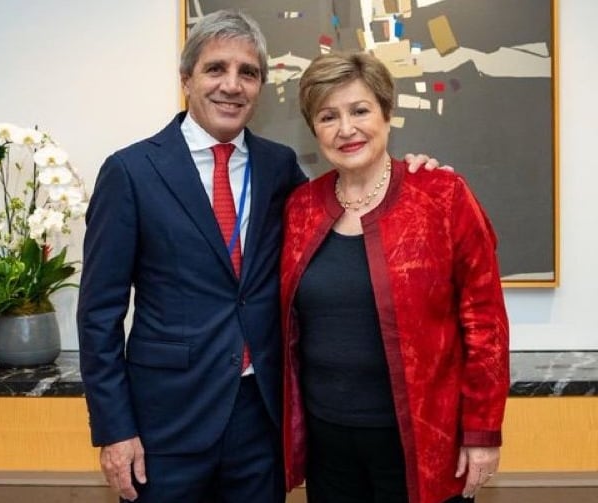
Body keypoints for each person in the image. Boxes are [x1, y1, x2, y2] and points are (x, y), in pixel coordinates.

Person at [77, 10, 442, 503]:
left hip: (262, 419)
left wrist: (413, 174)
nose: (232, 85)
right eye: (215, 68)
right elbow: (98, 315)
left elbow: (351, 199)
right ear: (186, 79)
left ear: (260, 87)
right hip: (165, 424)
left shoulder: (279, 167)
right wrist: (115, 430)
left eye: (247, 73)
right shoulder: (131, 171)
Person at [279, 52, 510, 503]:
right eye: (328, 116)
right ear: (314, 129)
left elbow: (486, 325)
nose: (346, 129)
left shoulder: (442, 195)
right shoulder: (300, 207)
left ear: (387, 114)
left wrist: (482, 431)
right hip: (329, 443)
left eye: (360, 110)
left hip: (422, 443)